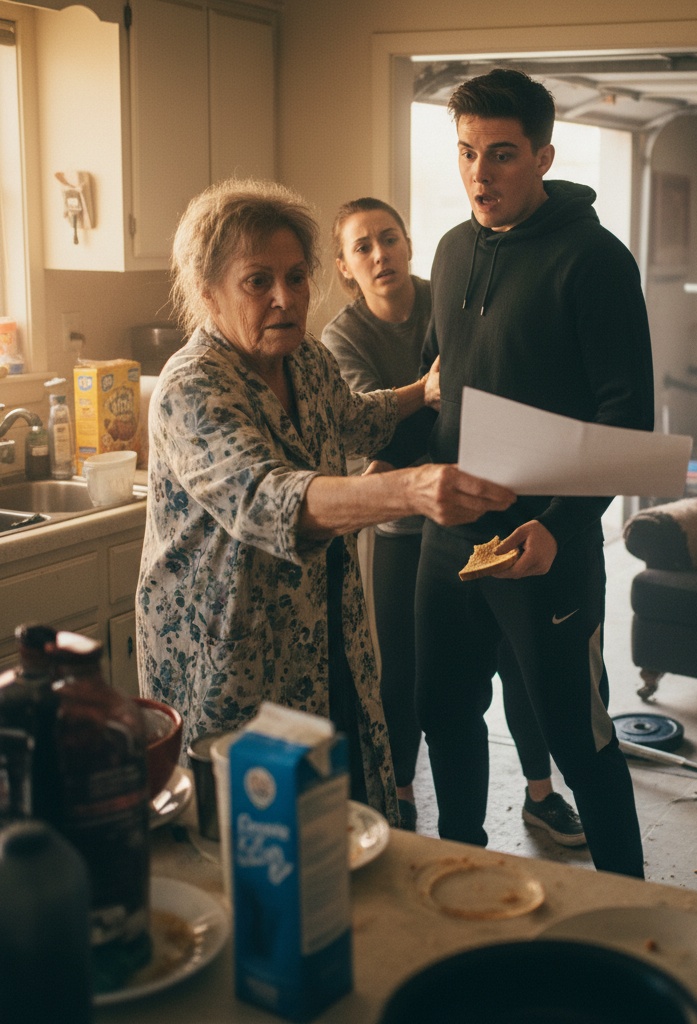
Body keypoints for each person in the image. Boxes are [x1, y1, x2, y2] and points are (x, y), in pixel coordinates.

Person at [135, 178, 515, 826]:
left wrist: (418, 392)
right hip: (226, 644)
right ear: (207, 292)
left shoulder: (303, 358)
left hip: (322, 622)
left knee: (331, 811)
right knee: (248, 833)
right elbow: (267, 498)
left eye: (295, 277)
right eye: (258, 281)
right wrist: (412, 489)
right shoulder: (191, 386)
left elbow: (348, 418)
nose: (285, 298)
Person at [389, 69, 654, 877]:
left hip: (547, 547)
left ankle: (626, 904)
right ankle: (461, 874)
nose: (479, 174)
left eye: (501, 155)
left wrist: (560, 525)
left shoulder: (596, 261)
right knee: (445, 715)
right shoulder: (451, 249)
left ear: (542, 156)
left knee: (580, 739)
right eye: (467, 153)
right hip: (450, 542)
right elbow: (445, 390)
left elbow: (627, 420)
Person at [321, 197, 585, 846]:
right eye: (363, 247)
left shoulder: (453, 293)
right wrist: (430, 397)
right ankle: (403, 799)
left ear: (409, 245)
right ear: (345, 268)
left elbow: (493, 394)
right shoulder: (342, 339)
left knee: (516, 668)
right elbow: (372, 437)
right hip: (399, 532)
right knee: (408, 678)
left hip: (485, 516)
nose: (380, 254)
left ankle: (541, 796)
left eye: (389, 239)